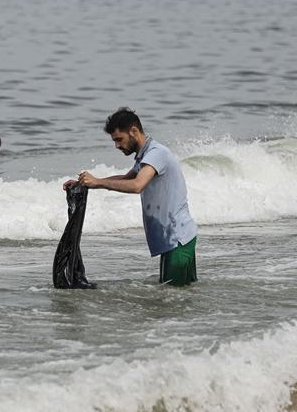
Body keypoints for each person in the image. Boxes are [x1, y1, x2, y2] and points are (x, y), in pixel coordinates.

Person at [64, 107, 198, 286]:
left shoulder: (156, 153)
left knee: (171, 302)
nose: (117, 145)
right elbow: (127, 178)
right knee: (182, 297)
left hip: (177, 240)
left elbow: (137, 185)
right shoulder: (146, 156)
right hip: (178, 239)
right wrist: (85, 183)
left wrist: (98, 182)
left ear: (134, 131)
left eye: (119, 139)